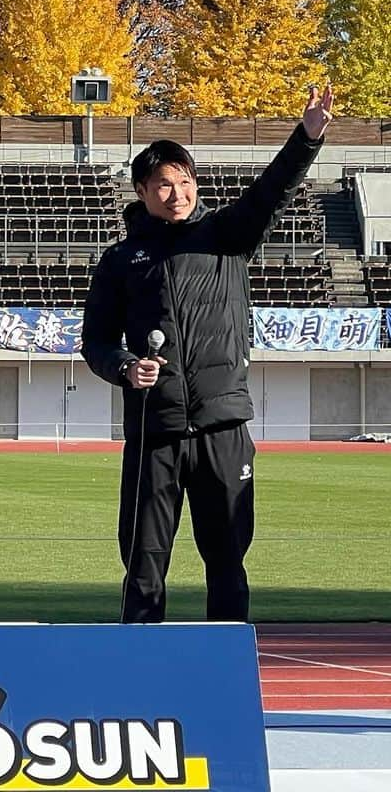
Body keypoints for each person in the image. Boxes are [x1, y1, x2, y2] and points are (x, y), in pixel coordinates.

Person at [81, 85, 334, 624]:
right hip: (156, 430)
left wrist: (307, 136)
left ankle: (224, 675)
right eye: (164, 185)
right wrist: (126, 367)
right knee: (145, 564)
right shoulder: (122, 260)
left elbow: (272, 191)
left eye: (185, 181)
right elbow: (95, 342)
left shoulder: (227, 236)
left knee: (226, 560)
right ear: (142, 192)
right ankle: (140, 671)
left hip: (223, 426)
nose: (178, 194)